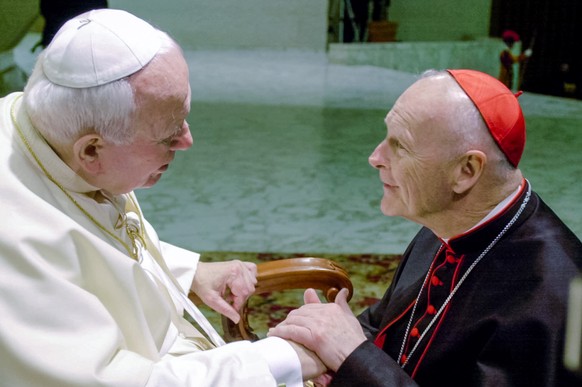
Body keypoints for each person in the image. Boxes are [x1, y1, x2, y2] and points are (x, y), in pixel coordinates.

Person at [0, 8, 324, 386]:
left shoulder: (34, 122)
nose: (188, 140)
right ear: (91, 151)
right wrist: (280, 358)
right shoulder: (13, 239)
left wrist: (186, 273)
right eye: (168, 134)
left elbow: (92, 234)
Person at [269, 69, 582, 386]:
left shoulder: (548, 298)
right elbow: (388, 326)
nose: (375, 157)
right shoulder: (450, 220)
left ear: (466, 171)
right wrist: (320, 343)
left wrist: (352, 358)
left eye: (400, 145)